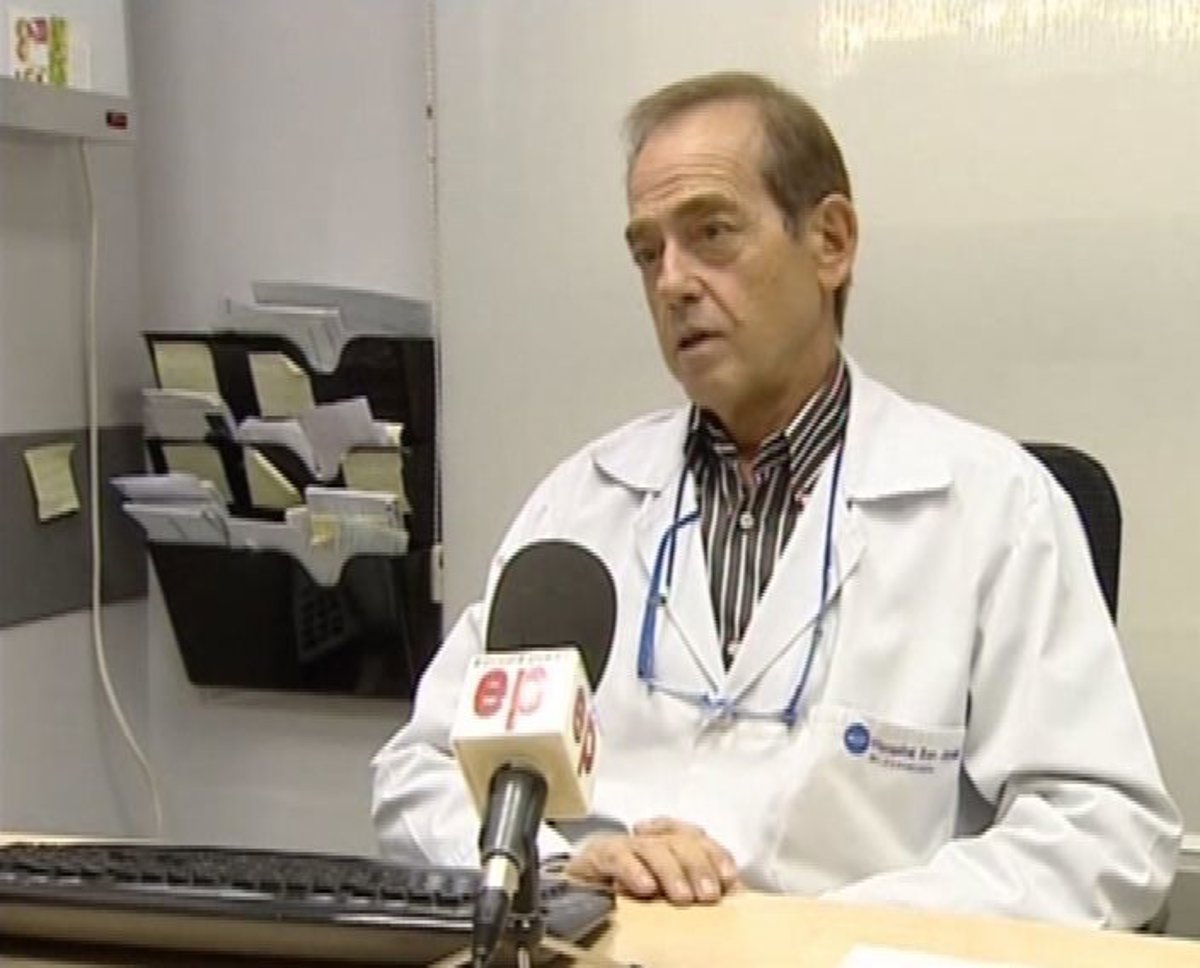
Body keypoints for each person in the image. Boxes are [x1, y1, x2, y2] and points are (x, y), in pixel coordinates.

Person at [371, 71, 1180, 926]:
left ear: (830, 242)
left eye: (711, 234)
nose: (672, 282)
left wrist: (819, 930)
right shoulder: (582, 505)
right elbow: (420, 771)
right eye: (647, 252)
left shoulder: (993, 508)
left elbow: (1106, 831)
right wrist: (558, 867)